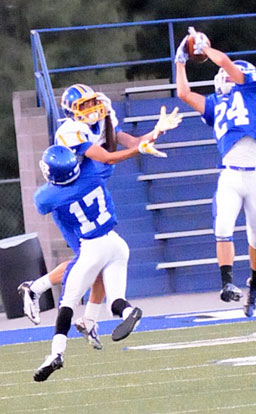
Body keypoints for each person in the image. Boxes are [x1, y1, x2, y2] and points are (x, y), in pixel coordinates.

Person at [18, 84, 181, 349]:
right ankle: (35, 290)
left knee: (100, 259)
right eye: (84, 105)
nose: (92, 109)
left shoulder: (102, 117)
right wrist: (139, 150)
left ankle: (89, 319)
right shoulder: (70, 131)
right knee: (89, 258)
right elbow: (106, 156)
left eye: (93, 102)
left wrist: (156, 132)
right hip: (71, 188)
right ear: (71, 110)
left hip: (93, 178)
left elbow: (125, 141)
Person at [33, 144, 159, 381]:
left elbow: (43, 203)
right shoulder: (93, 171)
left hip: (91, 247)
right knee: (116, 300)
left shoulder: (48, 196)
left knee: (67, 304)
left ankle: (56, 354)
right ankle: (129, 312)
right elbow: (104, 156)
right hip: (116, 242)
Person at [175, 27, 256, 317]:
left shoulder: (255, 87)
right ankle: (227, 283)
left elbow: (227, 63)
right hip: (230, 172)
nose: (223, 77)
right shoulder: (217, 104)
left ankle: (254, 284)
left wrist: (204, 49)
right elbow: (183, 92)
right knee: (222, 228)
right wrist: (180, 60)